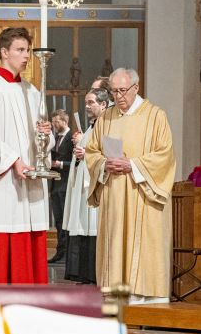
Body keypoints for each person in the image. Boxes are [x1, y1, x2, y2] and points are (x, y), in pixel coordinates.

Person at [0, 27, 53, 284]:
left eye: (28, 50)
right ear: (4, 52)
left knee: (28, 235)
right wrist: (14, 161)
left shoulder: (31, 91)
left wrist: (45, 135)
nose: (26, 56)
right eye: (20, 50)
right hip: (2, 184)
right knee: (3, 235)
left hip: (29, 183)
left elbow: (40, 142)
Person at [85, 68, 176, 303]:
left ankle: (145, 294)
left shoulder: (155, 116)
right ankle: (116, 292)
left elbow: (165, 155)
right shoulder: (106, 118)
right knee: (115, 241)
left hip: (142, 193)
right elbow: (92, 152)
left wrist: (133, 165)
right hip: (114, 193)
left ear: (136, 87)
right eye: (114, 91)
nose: (118, 97)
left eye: (123, 90)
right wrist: (104, 164)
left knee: (144, 243)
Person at [63, 87, 112, 284]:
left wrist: (87, 154)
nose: (87, 106)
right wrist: (79, 154)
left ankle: (95, 275)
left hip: (97, 186)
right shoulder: (92, 127)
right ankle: (85, 273)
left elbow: (112, 155)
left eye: (91, 102)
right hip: (84, 185)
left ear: (104, 104)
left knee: (94, 229)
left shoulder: (109, 126)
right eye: (86, 103)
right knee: (84, 229)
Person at [48, 109, 74, 263]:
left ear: (65, 121)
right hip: (55, 185)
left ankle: (67, 254)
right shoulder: (56, 138)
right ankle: (60, 252)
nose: (54, 125)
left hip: (66, 184)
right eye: (53, 122)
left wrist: (61, 164)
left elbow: (77, 163)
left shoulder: (73, 138)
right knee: (58, 221)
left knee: (66, 221)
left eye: (56, 122)